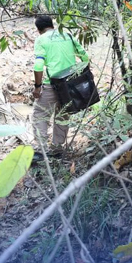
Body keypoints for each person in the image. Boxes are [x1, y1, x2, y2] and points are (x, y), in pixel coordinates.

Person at [31, 15, 90, 161]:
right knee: (63, 114)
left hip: (52, 84)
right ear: (52, 25)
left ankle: (41, 150)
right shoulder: (67, 35)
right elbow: (84, 56)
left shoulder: (41, 40)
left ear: (39, 30)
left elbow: (38, 65)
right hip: (70, 84)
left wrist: (37, 87)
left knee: (40, 114)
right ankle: (57, 148)